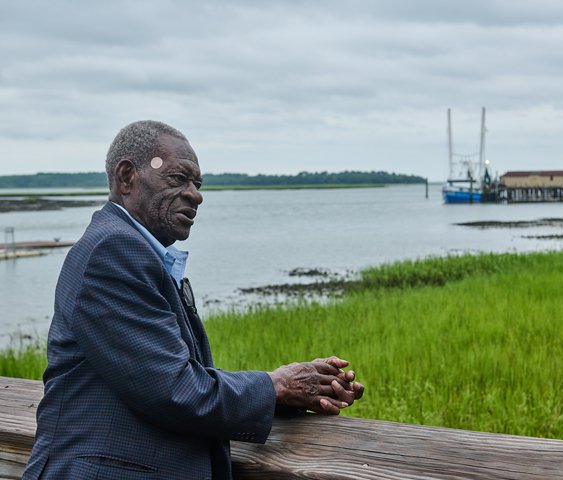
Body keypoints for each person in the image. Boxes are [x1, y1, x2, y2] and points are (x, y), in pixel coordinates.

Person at [23, 120, 364, 480]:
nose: (195, 195)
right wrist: (276, 385)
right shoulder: (114, 251)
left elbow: (167, 374)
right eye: (177, 179)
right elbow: (176, 390)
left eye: (197, 184)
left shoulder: (130, 249)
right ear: (127, 178)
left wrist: (287, 393)